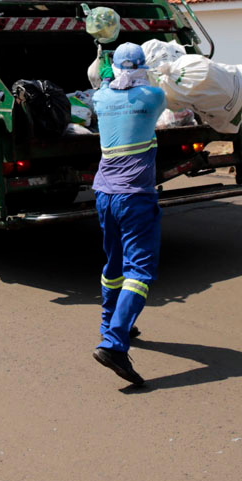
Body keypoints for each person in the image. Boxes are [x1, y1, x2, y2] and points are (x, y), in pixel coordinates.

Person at [90, 42, 167, 387]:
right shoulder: (152, 98)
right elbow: (157, 87)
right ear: (142, 68)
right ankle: (114, 343)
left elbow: (97, 79)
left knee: (114, 265)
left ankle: (111, 325)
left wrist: (102, 61)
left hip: (104, 194)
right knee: (140, 271)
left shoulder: (101, 99)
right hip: (136, 198)